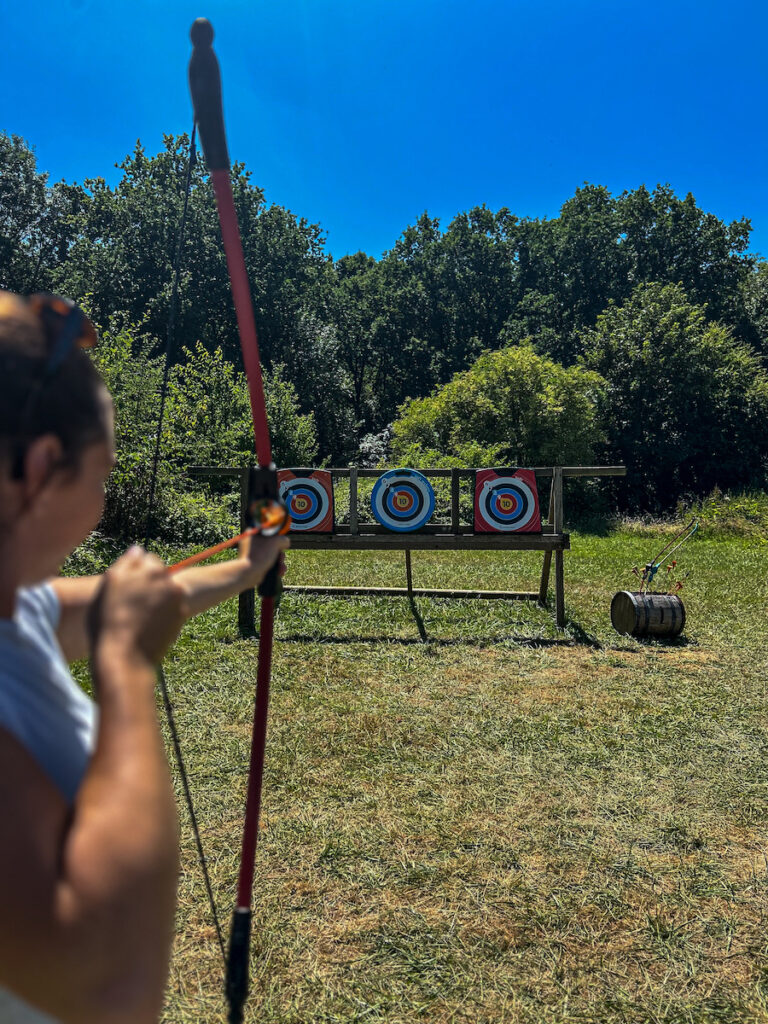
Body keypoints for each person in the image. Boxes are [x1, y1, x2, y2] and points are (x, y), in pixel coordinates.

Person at [0, 291, 289, 1023]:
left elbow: (154, 596)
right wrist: (125, 669)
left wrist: (250, 567)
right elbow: (103, 985)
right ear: (38, 469)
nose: (102, 501)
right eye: (100, 477)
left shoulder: (19, 603)